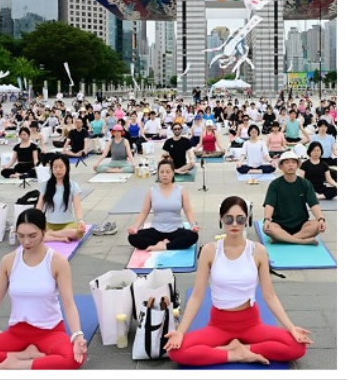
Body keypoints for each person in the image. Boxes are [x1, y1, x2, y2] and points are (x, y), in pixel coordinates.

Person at [165, 196, 311, 366]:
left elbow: (269, 295)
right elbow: (197, 296)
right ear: (221, 220)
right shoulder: (209, 251)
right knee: (175, 351)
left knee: (297, 347)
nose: (234, 224)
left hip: (251, 323)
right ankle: (235, 354)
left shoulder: (258, 251)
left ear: (246, 220)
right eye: (229, 218)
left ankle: (244, 348)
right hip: (219, 325)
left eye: (240, 219)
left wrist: (291, 327)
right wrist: (180, 332)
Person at [0, 208, 87, 370]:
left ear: (44, 231)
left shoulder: (57, 262)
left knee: (74, 358)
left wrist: (77, 336)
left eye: (32, 236)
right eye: (21, 236)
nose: (26, 242)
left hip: (50, 332)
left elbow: (68, 304)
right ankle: (22, 356)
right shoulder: (9, 261)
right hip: (17, 334)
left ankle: (17, 365)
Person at [126, 160, 202, 251]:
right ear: (158, 174)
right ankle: (163, 244)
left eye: (168, 172)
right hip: (156, 230)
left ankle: (164, 246)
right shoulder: (152, 191)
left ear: (173, 173)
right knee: (132, 238)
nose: (165, 174)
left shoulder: (181, 190)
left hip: (176, 229)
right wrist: (135, 227)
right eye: (162, 172)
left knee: (193, 236)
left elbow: (188, 211)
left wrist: (193, 225)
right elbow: (143, 212)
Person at [262, 151, 326, 245]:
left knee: (316, 225)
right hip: (280, 224)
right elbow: (269, 204)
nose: (290, 165)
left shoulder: (305, 183)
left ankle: (283, 239)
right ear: (281, 166)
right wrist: (267, 219)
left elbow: (313, 204)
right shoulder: (275, 185)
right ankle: (301, 241)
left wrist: (321, 219)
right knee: (268, 228)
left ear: (297, 165)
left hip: (301, 225)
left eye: (293, 162)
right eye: (287, 162)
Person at [36, 155, 86, 242]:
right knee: (35, 235)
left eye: (61, 167)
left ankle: (51, 235)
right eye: (55, 167)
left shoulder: (73, 185)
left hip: (67, 225)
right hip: (49, 225)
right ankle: (59, 237)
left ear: (67, 168)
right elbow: (39, 206)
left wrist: (81, 221)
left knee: (78, 233)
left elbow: (77, 208)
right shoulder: (45, 185)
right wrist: (34, 221)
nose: (58, 170)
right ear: (51, 169)